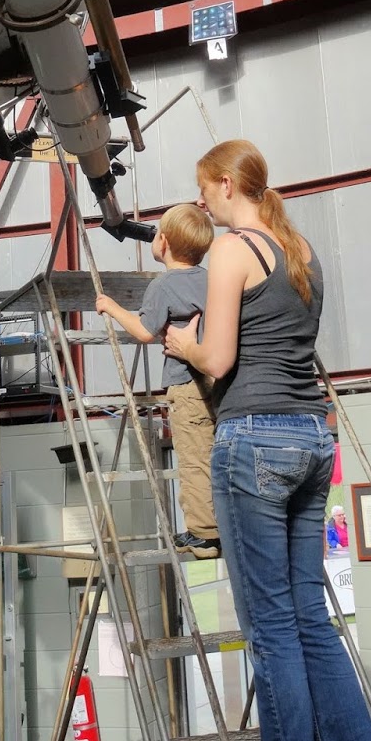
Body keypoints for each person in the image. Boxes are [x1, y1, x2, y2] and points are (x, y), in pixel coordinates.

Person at [164, 139, 371, 741]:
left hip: (254, 442)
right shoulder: (300, 251)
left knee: (271, 635)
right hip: (311, 440)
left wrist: (181, 338)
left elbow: (221, 359)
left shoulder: (233, 251)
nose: (200, 202)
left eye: (204, 189)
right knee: (313, 627)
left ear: (228, 184)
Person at [95, 203, 220, 557]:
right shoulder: (211, 278)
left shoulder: (164, 286)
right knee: (214, 453)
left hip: (186, 384)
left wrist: (112, 307)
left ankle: (205, 533)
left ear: (162, 242)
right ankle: (220, 523)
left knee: (193, 456)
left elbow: (145, 332)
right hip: (217, 381)